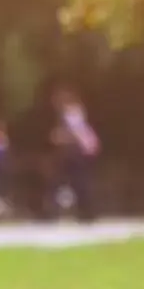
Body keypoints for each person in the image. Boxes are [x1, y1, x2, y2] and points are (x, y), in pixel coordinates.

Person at [47, 84, 102, 222]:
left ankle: (86, 212)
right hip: (72, 152)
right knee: (72, 181)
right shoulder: (70, 112)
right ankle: (83, 212)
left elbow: (76, 133)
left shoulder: (72, 112)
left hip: (76, 152)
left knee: (76, 180)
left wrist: (60, 137)